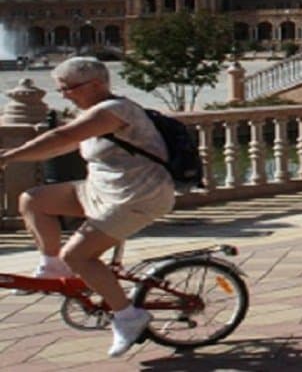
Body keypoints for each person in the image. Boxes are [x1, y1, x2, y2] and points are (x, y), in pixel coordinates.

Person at [0, 57, 175, 357]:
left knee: (80, 256)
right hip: (100, 190)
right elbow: (62, 145)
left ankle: (128, 316)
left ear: (96, 85)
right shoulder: (93, 113)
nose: (64, 94)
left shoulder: (113, 110)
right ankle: (52, 266)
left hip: (136, 196)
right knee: (33, 199)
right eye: (61, 89)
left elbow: (61, 137)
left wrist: (10, 156)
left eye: (68, 88)